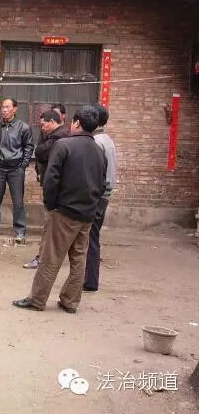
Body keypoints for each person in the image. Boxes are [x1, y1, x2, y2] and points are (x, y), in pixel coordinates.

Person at [12, 106, 106, 314]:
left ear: (77, 122)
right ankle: (70, 301)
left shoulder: (64, 145)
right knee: (78, 259)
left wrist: (52, 204)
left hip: (64, 211)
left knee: (50, 256)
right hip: (87, 214)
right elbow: (102, 183)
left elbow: (51, 179)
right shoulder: (99, 150)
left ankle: (37, 299)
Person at [23, 109, 69, 269]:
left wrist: (49, 198)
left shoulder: (60, 138)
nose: (42, 128)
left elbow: (40, 152)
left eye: (43, 125)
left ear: (52, 122)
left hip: (56, 191)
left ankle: (43, 259)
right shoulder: (56, 136)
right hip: (58, 189)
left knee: (51, 226)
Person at [0, 98, 34, 242]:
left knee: (18, 201)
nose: (4, 110)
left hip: (16, 169)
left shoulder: (23, 127)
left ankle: (20, 229)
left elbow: (29, 147)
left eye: (7, 107)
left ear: (15, 109)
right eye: (3, 107)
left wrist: (23, 165)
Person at [83, 105, 117, 292]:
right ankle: (89, 280)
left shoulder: (96, 141)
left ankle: (90, 281)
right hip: (104, 195)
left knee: (91, 238)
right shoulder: (107, 140)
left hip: (97, 196)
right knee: (92, 237)